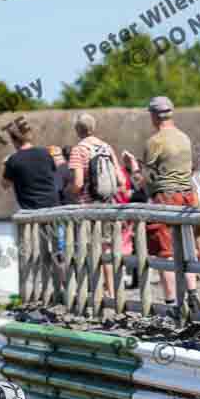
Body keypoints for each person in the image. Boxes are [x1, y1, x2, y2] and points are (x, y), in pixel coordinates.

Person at [123, 96, 200, 311]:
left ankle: (171, 304)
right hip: (188, 197)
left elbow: (144, 185)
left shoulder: (155, 142)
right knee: (187, 248)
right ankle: (193, 297)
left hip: (165, 198)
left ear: (154, 116)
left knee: (164, 252)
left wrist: (132, 167)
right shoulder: (185, 138)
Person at [69, 113, 126, 298]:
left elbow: (78, 184)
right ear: (93, 127)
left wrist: (70, 192)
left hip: (87, 208)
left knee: (90, 250)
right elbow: (120, 179)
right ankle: (112, 292)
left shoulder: (78, 150)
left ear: (77, 130)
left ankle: (96, 293)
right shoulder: (106, 147)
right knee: (107, 249)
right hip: (107, 205)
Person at [1, 122, 58, 210]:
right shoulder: (45, 153)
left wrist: (5, 165)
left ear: (13, 140)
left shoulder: (13, 160)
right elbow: (53, 174)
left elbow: (5, 185)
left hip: (31, 210)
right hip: (53, 207)